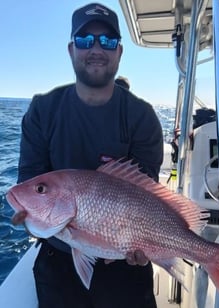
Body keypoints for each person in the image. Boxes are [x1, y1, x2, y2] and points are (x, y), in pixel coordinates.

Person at [17, 3, 163, 308]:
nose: (96, 48)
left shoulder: (142, 117)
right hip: (59, 257)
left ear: (120, 52)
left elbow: (147, 194)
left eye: (107, 41)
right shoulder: (43, 111)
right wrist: (29, 219)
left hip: (125, 261)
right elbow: (30, 186)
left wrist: (142, 245)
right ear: (71, 50)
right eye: (85, 40)